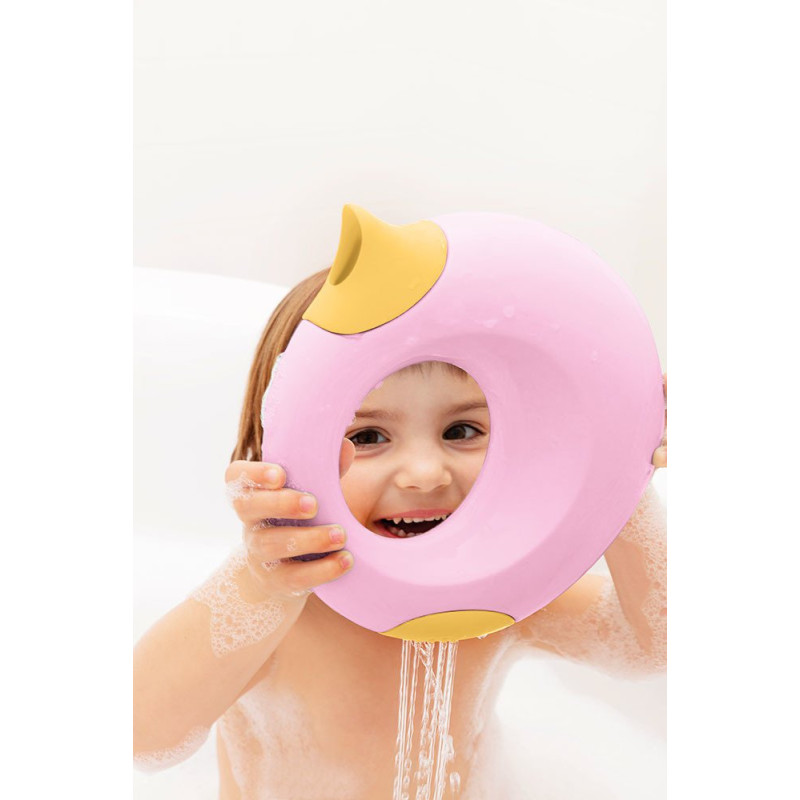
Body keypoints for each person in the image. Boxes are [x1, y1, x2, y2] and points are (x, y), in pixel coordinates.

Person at [133, 267, 668, 798]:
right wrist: (259, 587)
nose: (425, 473)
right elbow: (141, 734)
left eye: (462, 430)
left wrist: (617, 480)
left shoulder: (500, 594)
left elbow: (655, 643)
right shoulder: (275, 615)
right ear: (274, 454)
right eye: (368, 436)